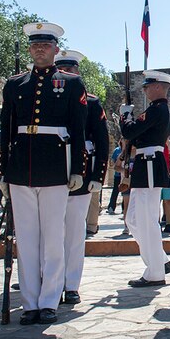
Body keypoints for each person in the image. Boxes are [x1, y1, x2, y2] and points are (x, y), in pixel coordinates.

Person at [0, 21, 87, 325]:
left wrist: (77, 168)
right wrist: (4, 172)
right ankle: (29, 303)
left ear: (55, 49)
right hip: (22, 167)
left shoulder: (71, 84)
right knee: (26, 237)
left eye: (45, 45)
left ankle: (49, 300)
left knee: (52, 237)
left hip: (54, 167)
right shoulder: (15, 84)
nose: (40, 50)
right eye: (35, 45)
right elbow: (6, 130)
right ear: (30, 49)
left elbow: (78, 129)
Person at [54, 50, 109, 302]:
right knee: (48, 230)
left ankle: (71, 282)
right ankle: (48, 278)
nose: (65, 74)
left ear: (77, 73)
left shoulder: (92, 102)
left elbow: (101, 141)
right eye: (61, 69)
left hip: (82, 172)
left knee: (75, 231)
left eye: (70, 70)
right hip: (49, 169)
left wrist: (98, 175)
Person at [121, 71, 170, 287]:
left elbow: (129, 131)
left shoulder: (157, 110)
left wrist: (126, 116)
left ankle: (155, 272)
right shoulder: (155, 111)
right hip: (145, 165)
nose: (144, 90)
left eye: (147, 86)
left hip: (151, 165)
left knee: (148, 220)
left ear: (158, 87)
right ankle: (161, 260)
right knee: (133, 220)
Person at [108, 141, 123, 214]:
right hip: (117, 175)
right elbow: (113, 161)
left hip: (125, 175)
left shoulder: (129, 149)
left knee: (125, 192)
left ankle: (124, 208)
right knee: (115, 191)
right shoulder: (117, 150)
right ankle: (111, 207)